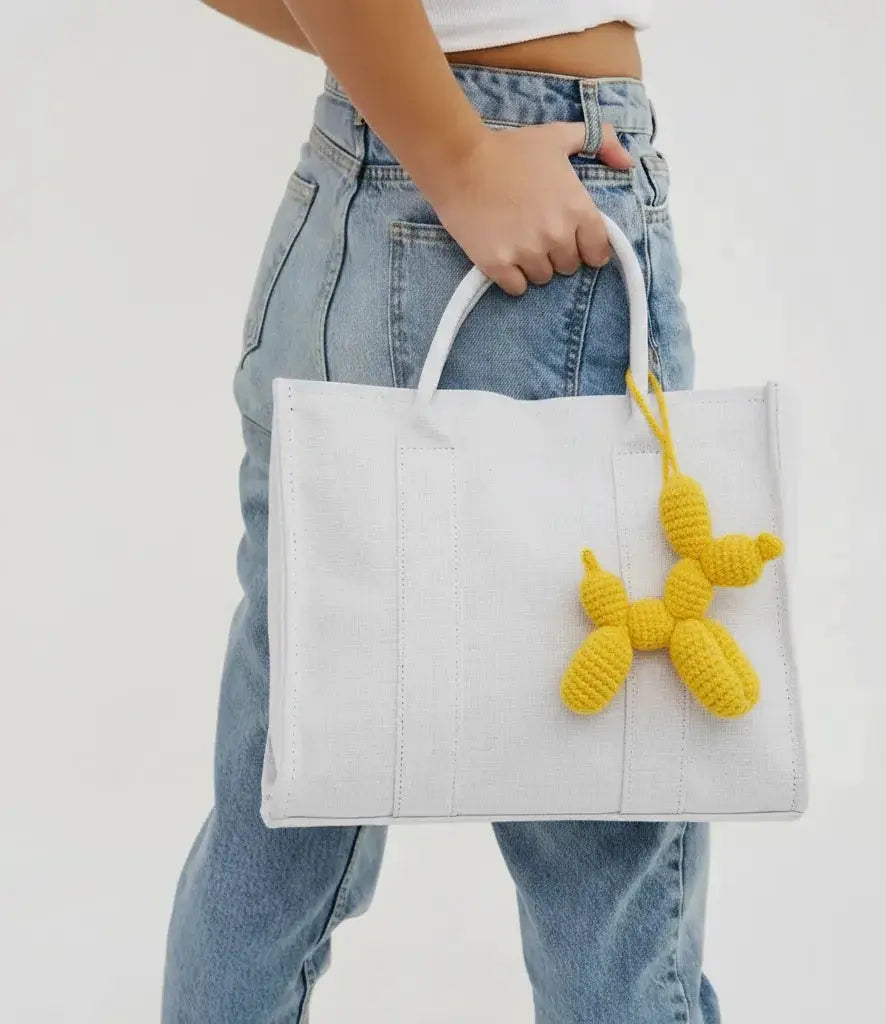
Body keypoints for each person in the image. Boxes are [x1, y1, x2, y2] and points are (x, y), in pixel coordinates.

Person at [163, 2, 718, 1021]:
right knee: (606, 840)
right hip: (521, 202)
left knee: (279, 818)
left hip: (355, 192)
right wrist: (458, 160)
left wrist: (411, 97)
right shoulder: (479, 164)